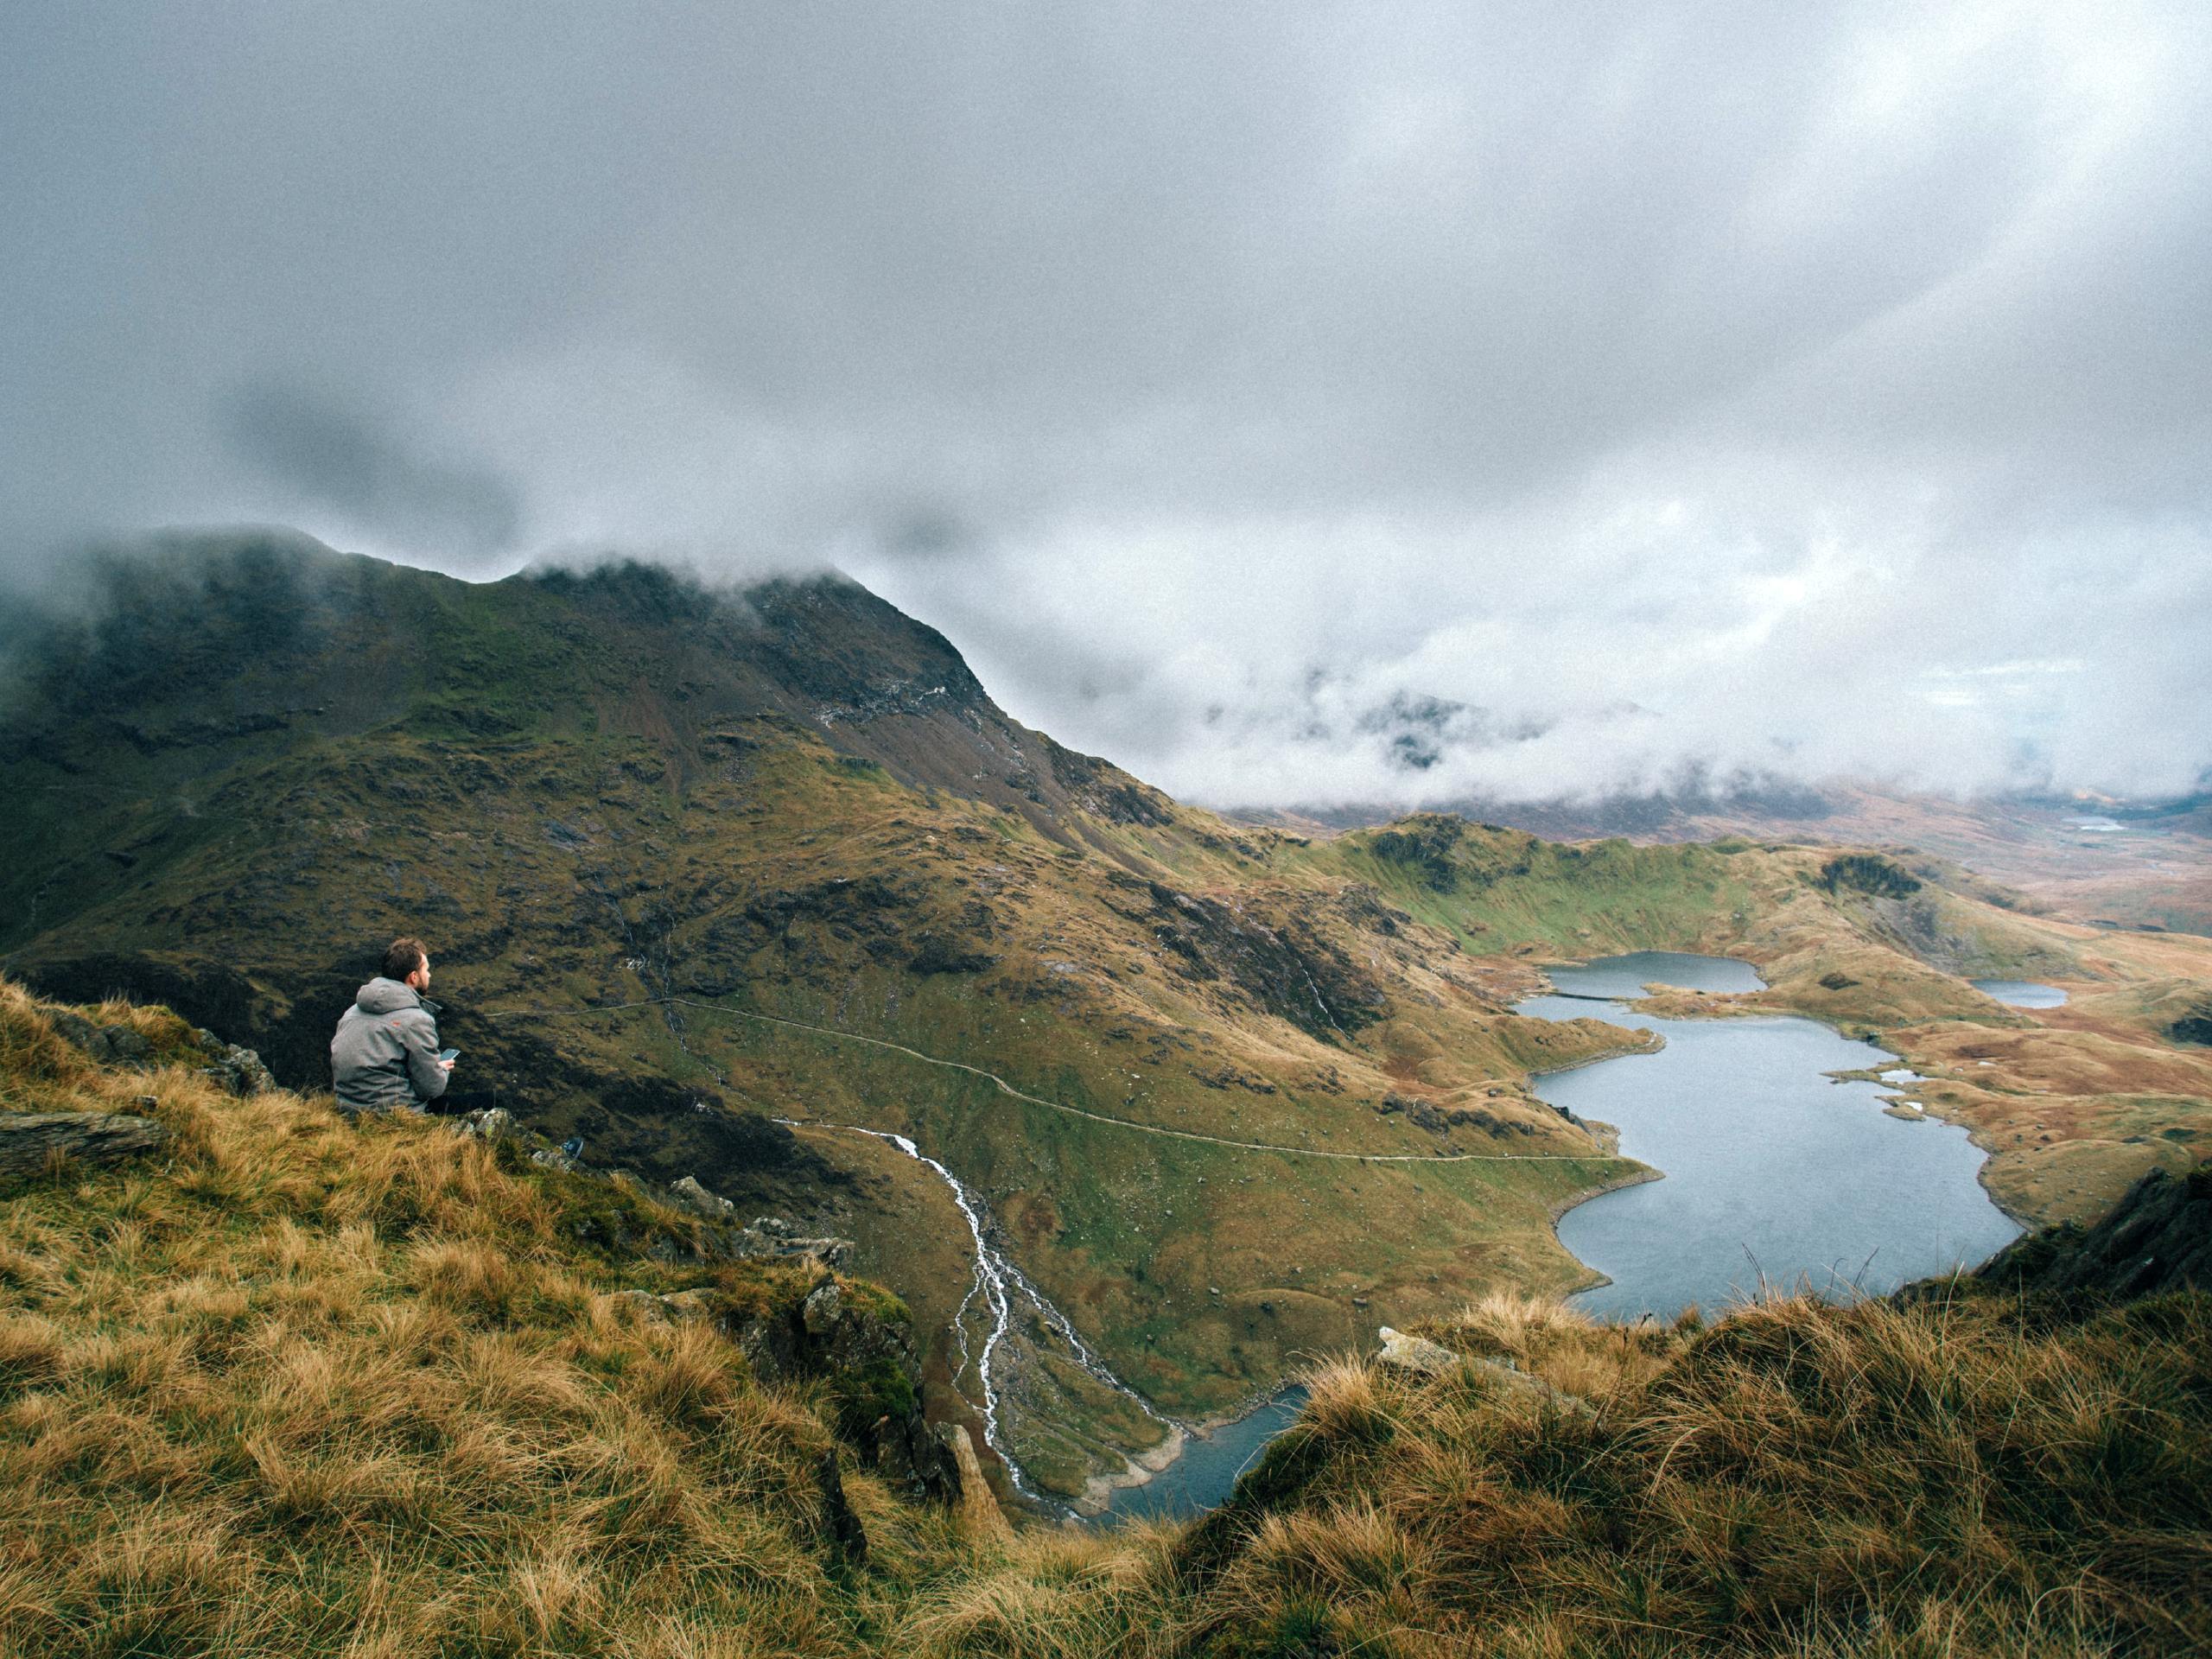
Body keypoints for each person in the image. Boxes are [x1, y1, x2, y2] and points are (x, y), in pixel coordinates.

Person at [331, 937, 454, 1114]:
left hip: (348, 1108)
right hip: (391, 1113)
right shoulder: (416, 1020)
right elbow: (431, 1089)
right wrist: (440, 1069)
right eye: (426, 970)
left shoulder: (352, 1011)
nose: (429, 975)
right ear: (413, 977)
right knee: (486, 1102)